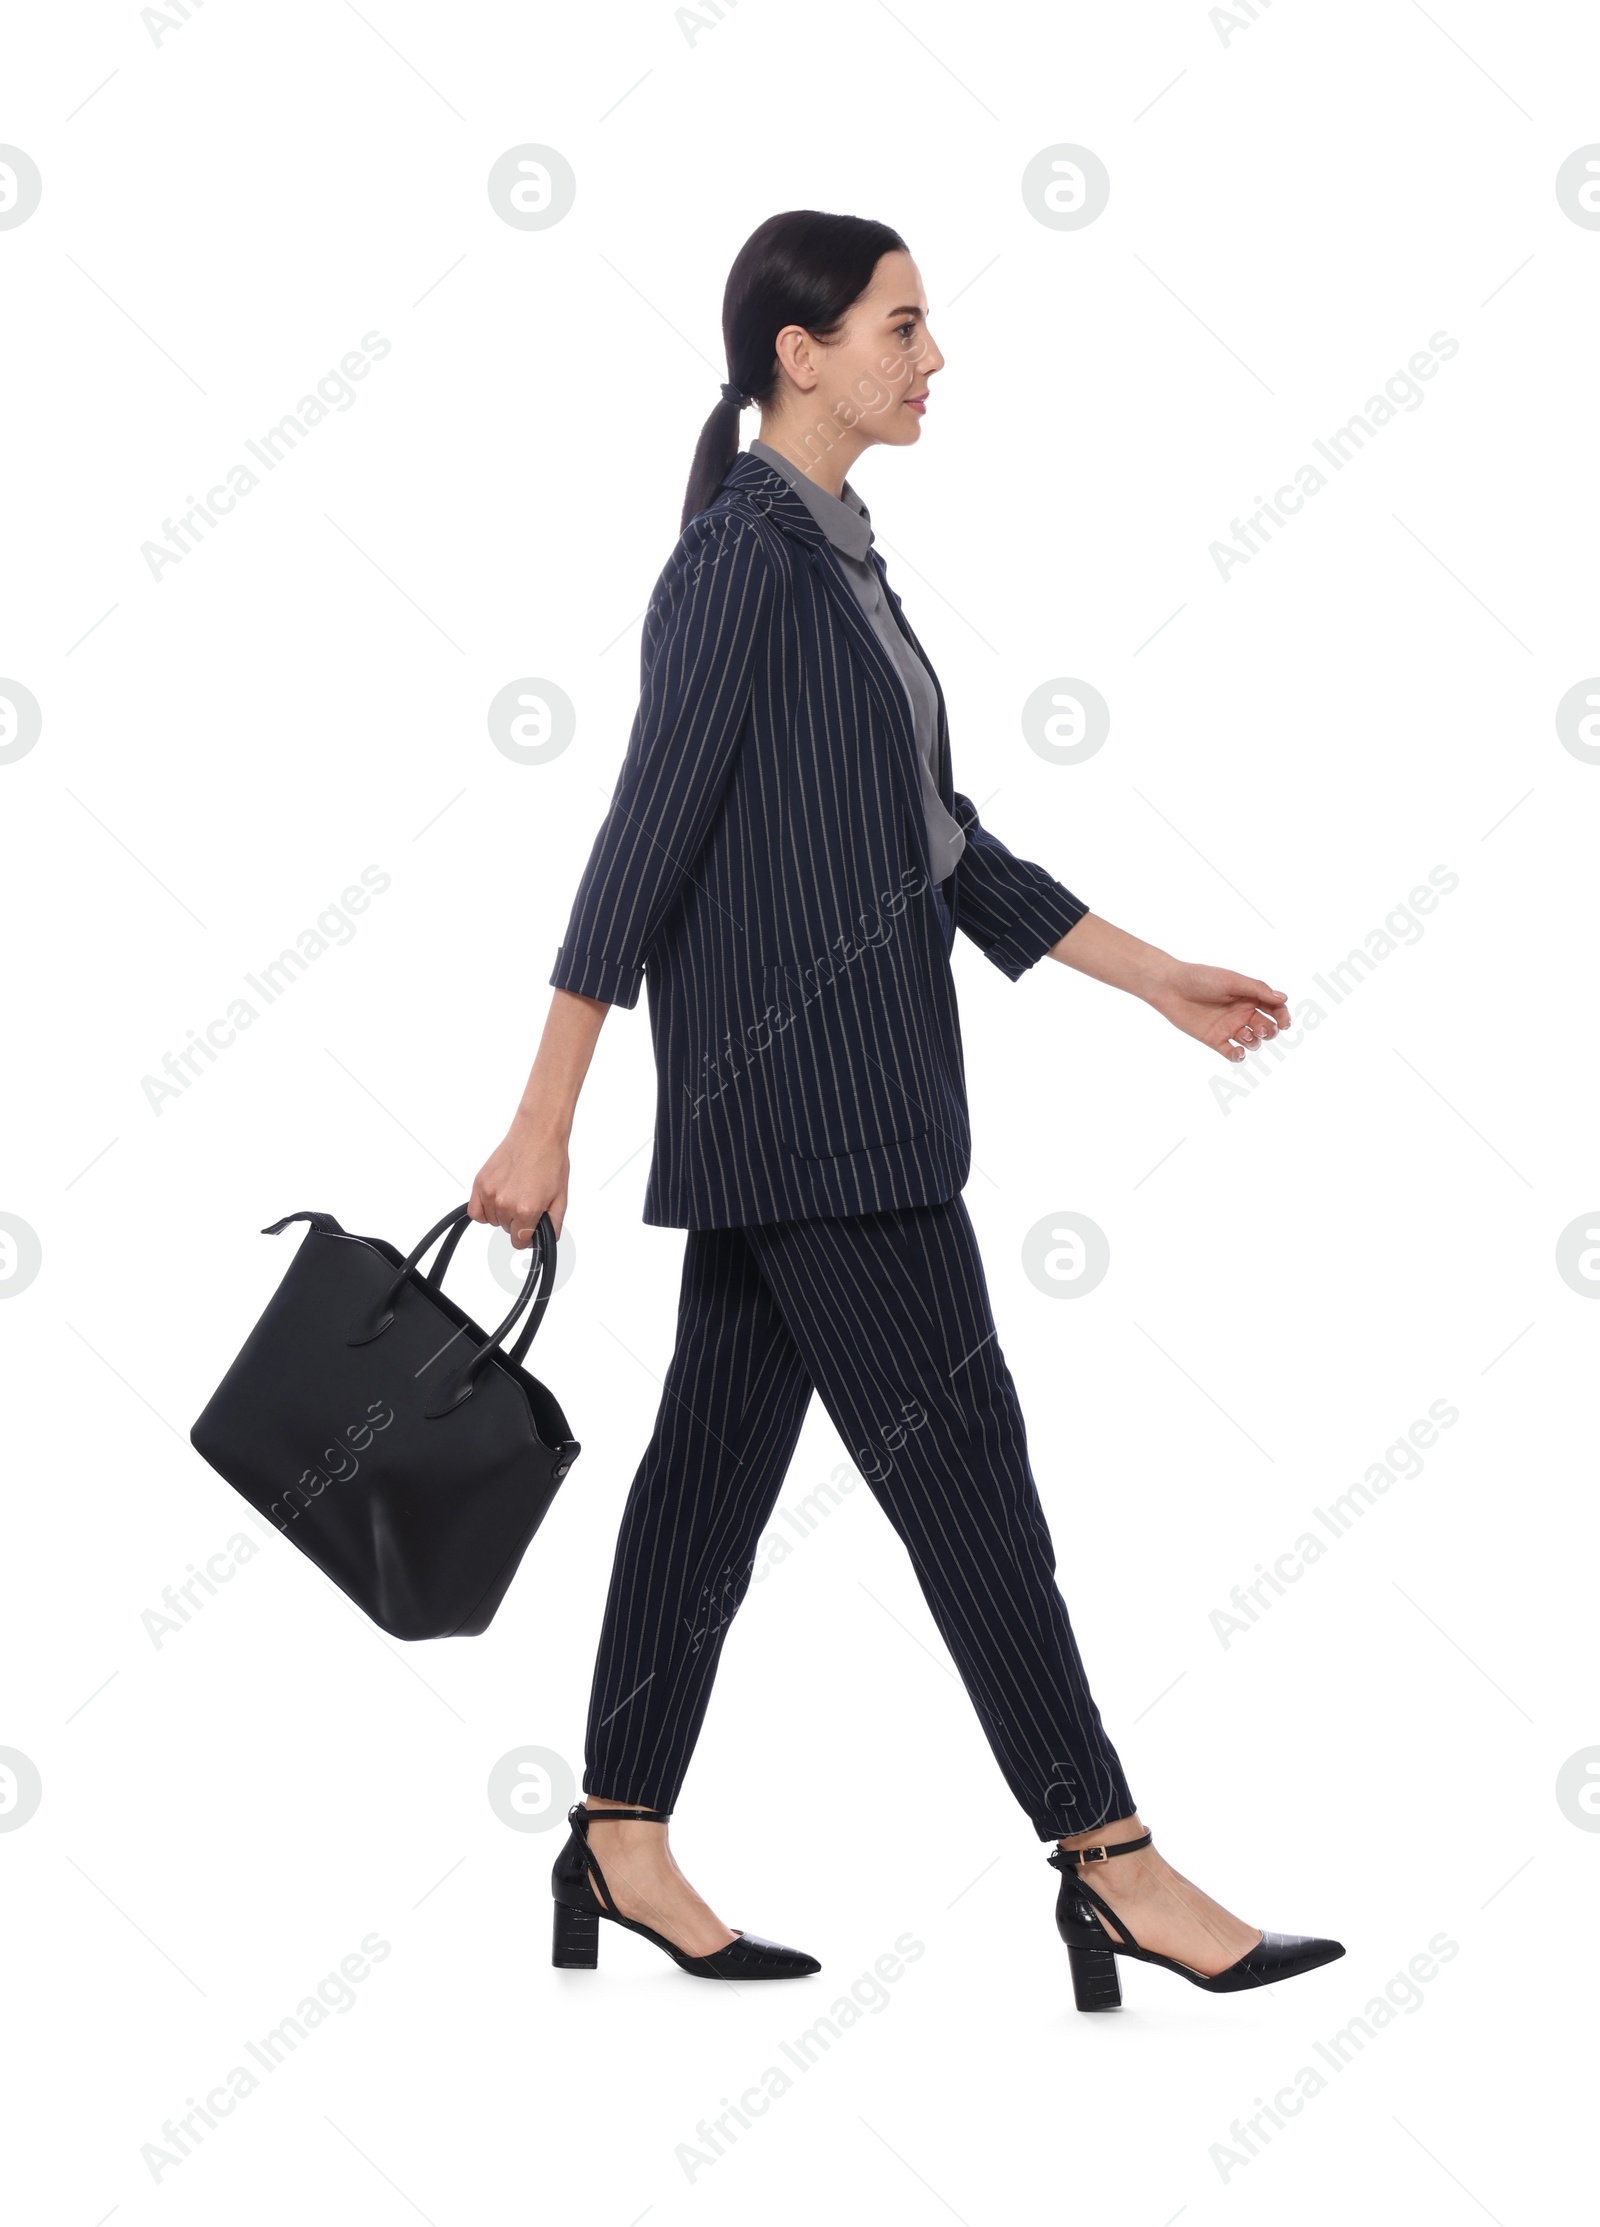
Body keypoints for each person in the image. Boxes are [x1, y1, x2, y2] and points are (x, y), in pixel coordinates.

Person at [470, 210, 1343, 2005]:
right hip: (816, 1127)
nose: (932, 359)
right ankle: (1110, 1864)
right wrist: (540, 1120)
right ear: (802, 353)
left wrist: (1154, 973)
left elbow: (940, 851)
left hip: (839, 1112)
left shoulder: (841, 558)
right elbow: (634, 854)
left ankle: (618, 1833)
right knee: (972, 1491)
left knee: (705, 1489)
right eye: (903, 325)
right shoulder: (739, 568)